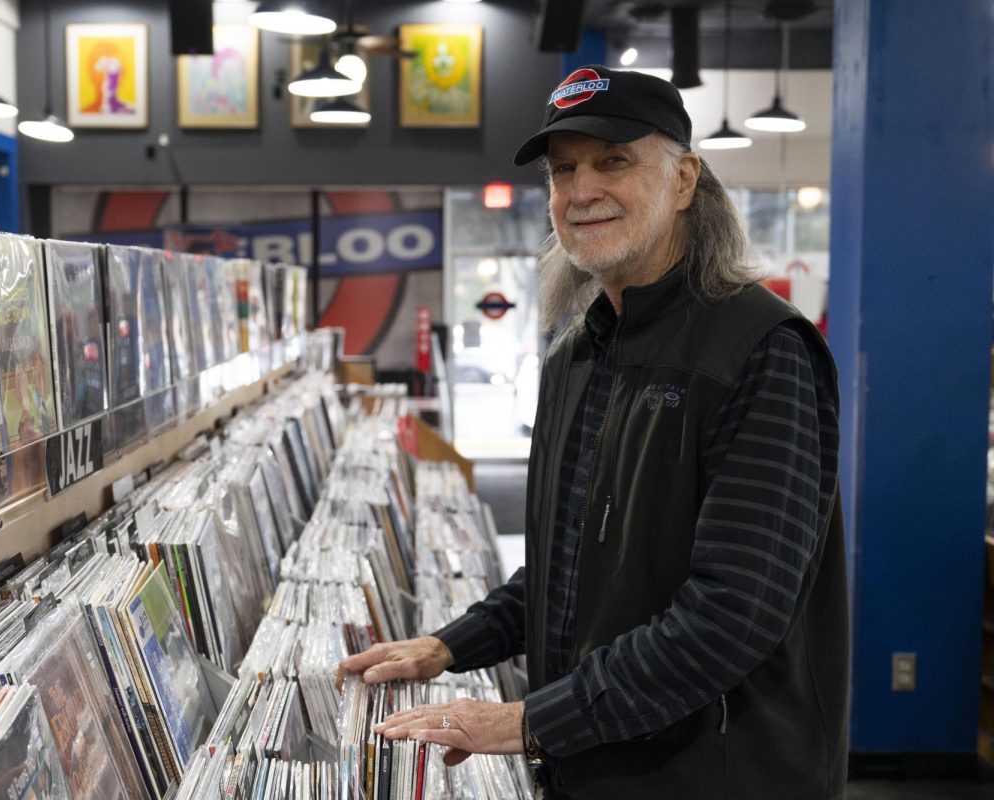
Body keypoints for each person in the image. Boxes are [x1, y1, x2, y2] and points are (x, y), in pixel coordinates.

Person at [338, 65, 848, 799]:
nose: (581, 192)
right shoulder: (577, 354)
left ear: (683, 181)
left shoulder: (761, 349)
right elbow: (568, 570)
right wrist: (449, 645)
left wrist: (528, 722)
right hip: (595, 764)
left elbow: (736, 613)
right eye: (564, 170)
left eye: (614, 162)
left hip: (722, 775)